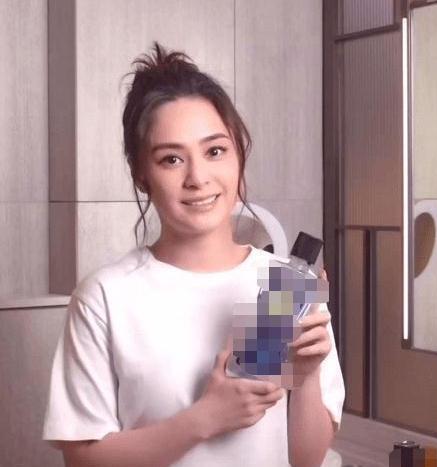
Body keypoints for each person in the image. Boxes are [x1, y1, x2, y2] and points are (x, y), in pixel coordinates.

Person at [42, 42, 345, 467]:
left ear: (239, 155)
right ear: (142, 175)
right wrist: (204, 419)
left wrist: (307, 375)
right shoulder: (105, 297)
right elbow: (82, 460)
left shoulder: (286, 286)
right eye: (171, 159)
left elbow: (305, 460)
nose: (198, 178)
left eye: (215, 151)